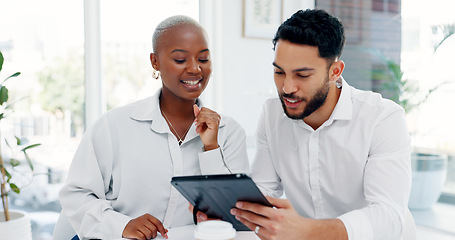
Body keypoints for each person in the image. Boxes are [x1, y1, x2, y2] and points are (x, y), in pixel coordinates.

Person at [199, 9, 412, 240]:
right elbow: (264, 192)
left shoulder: (382, 119)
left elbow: (388, 216)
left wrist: (308, 231)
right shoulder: (272, 114)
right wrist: (227, 210)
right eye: (279, 72)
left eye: (302, 75)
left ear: (335, 72)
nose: (287, 87)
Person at [59, 15, 249, 240]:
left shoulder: (230, 132)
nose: (195, 69)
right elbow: (76, 196)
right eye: (180, 59)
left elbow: (238, 214)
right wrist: (122, 225)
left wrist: (211, 149)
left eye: (204, 58)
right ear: (155, 62)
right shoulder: (114, 126)